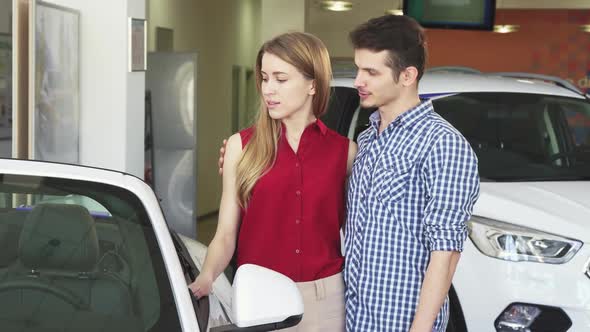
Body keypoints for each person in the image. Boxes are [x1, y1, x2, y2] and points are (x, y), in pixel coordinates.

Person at [189, 32, 357, 331]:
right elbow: (226, 234)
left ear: (313, 84)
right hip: (259, 295)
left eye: (281, 78)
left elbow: (360, 230)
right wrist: (207, 276)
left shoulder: (345, 152)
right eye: (265, 78)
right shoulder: (241, 147)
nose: (268, 89)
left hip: (325, 299)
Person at [344, 15, 480, 331]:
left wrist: (421, 327)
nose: (358, 81)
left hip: (402, 323)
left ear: (407, 76)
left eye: (371, 72)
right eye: (358, 69)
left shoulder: (442, 144)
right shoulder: (367, 138)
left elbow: (446, 254)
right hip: (355, 319)